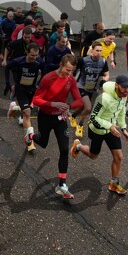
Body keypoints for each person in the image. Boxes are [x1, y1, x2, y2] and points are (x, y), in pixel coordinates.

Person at [28, 54, 84, 199]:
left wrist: (68, 107)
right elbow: (36, 99)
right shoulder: (48, 78)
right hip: (45, 116)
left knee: (64, 149)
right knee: (43, 142)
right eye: (67, 70)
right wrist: (53, 104)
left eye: (71, 71)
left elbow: (79, 101)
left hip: (60, 119)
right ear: (61, 65)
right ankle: (31, 136)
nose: (69, 73)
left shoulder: (70, 80)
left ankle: (62, 184)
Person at [70, 75, 128, 195]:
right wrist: (109, 126)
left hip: (111, 129)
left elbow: (121, 112)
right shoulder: (103, 98)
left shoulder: (124, 96)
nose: (126, 90)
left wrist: (123, 128)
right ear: (116, 85)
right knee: (93, 155)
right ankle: (78, 146)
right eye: (124, 87)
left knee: (119, 156)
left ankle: (114, 183)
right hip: (97, 129)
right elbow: (93, 117)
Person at [6, 42, 45, 155]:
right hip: (21, 89)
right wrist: (8, 83)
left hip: (32, 90)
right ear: (26, 53)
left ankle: (15, 108)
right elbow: (7, 68)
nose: (34, 58)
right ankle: (29, 141)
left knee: (26, 110)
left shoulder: (39, 62)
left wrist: (39, 85)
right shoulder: (18, 61)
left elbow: (45, 73)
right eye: (32, 55)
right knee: (27, 113)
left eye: (36, 55)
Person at [70, 41, 110, 138]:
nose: (99, 53)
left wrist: (104, 81)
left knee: (84, 107)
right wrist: (71, 82)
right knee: (88, 107)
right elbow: (72, 70)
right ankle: (80, 126)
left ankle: (73, 116)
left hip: (92, 88)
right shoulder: (83, 60)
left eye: (100, 51)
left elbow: (106, 74)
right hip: (81, 86)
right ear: (92, 50)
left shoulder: (103, 62)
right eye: (97, 50)